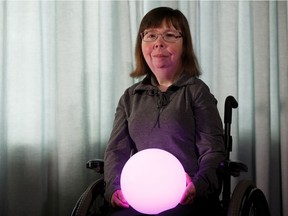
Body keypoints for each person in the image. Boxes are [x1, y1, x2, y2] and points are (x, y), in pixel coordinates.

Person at [103, 7, 225, 216]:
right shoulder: (130, 97)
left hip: (185, 198)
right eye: (151, 35)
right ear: (141, 45)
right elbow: (116, 151)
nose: (159, 42)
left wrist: (198, 185)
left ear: (184, 44)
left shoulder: (196, 92)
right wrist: (113, 189)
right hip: (140, 196)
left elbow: (212, 150)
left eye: (169, 35)